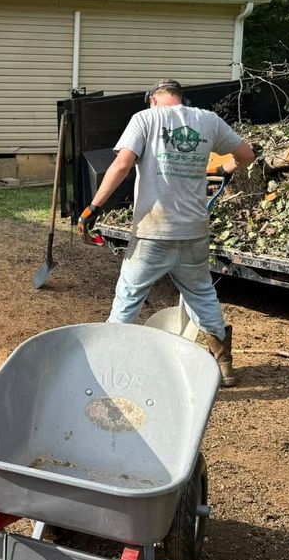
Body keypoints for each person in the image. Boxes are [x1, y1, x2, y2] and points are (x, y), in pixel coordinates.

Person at [76, 79, 255, 385]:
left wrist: (94, 206)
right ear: (179, 98)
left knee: (129, 296)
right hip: (194, 230)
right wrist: (226, 169)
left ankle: (108, 364)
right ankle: (224, 366)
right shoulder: (208, 120)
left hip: (153, 231)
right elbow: (247, 155)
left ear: (153, 100)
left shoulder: (145, 119)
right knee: (202, 295)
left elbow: (121, 164)